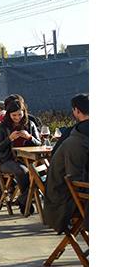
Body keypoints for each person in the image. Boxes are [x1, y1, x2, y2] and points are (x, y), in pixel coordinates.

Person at [42, 94, 89, 234]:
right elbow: (77, 180)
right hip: (66, 202)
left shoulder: (75, 133)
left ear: (76, 110)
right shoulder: (76, 140)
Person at [0, 99, 41, 211]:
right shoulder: (3, 127)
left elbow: (39, 143)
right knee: (23, 171)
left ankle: (22, 200)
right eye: (14, 115)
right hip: (8, 160)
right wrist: (9, 139)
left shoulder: (30, 124)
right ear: (9, 115)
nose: (17, 117)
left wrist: (29, 137)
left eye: (20, 114)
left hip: (28, 159)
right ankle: (26, 203)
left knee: (44, 172)